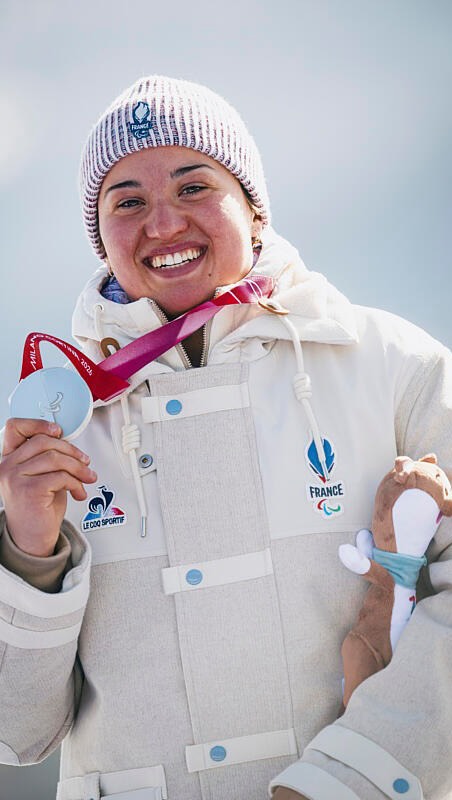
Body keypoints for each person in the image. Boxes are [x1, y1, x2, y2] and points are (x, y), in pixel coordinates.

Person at [0, 74, 451, 800]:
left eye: (193, 187)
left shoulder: (397, 367)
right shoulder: (57, 430)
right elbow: (16, 733)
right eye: (129, 202)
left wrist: (350, 780)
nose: (164, 223)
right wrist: (28, 552)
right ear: (101, 238)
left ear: (254, 208)